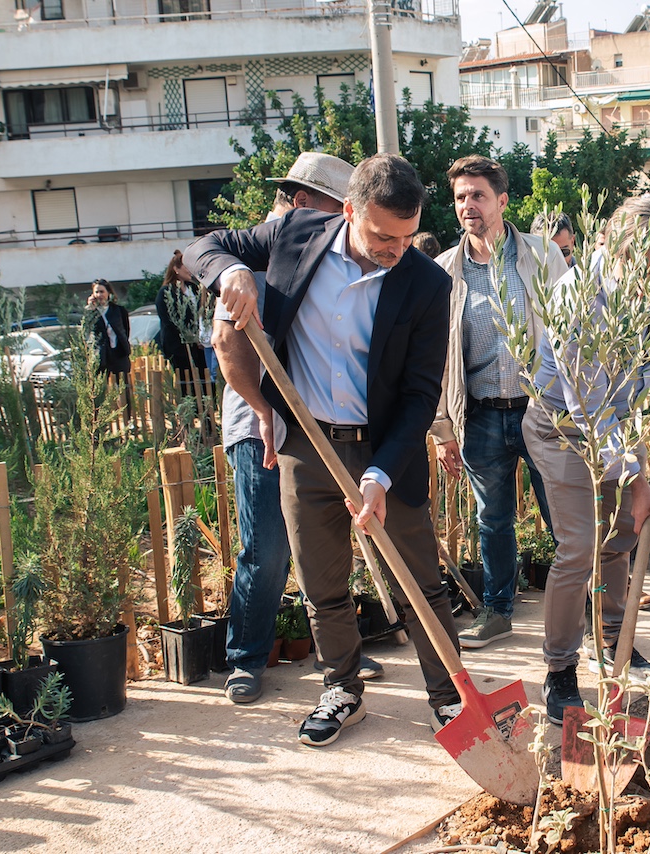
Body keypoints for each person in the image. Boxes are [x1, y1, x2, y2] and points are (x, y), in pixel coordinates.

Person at [187, 153, 462, 746]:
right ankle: (342, 687)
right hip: (306, 446)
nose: (396, 249)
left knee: (421, 581)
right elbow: (201, 247)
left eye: (408, 236)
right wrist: (229, 272)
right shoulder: (292, 235)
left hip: (385, 449)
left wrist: (382, 474)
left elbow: (419, 395)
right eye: (384, 236)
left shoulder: (425, 283)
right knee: (322, 581)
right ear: (348, 211)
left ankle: (449, 698)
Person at [208, 151, 383, 704]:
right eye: (340, 210)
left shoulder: (330, 258)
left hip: (314, 429)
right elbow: (226, 344)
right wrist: (264, 409)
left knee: (323, 546)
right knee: (267, 549)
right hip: (259, 423)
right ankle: (246, 656)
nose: (346, 225)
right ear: (305, 203)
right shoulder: (255, 262)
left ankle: (338, 652)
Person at [525, 193, 650, 725]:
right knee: (580, 545)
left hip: (616, 418)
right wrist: (637, 481)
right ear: (610, 240)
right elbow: (588, 409)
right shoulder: (577, 297)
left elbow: (643, 368)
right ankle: (559, 672)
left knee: (619, 538)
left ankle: (613, 642)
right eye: (640, 258)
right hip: (562, 428)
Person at [431, 155, 566, 651]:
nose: (468, 205)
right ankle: (498, 610)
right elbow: (438, 356)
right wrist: (443, 427)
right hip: (483, 413)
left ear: (502, 201)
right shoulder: (444, 271)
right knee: (493, 519)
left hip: (540, 409)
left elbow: (566, 329)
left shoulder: (540, 256)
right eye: (461, 196)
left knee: (562, 512)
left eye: (478, 195)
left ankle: (595, 605)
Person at [156, 250, 209, 396]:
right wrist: (189, 336)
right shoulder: (166, 292)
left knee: (203, 380)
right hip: (178, 346)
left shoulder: (193, 288)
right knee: (187, 383)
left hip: (198, 346)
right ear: (176, 269)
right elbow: (168, 321)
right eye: (186, 267)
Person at [86, 278, 131, 378]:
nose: (99, 295)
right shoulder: (92, 313)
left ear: (108, 293)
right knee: (100, 386)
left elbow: (125, 330)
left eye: (102, 292)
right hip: (101, 355)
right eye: (96, 292)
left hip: (119, 352)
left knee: (123, 385)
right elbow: (87, 330)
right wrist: (89, 308)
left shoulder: (118, 310)